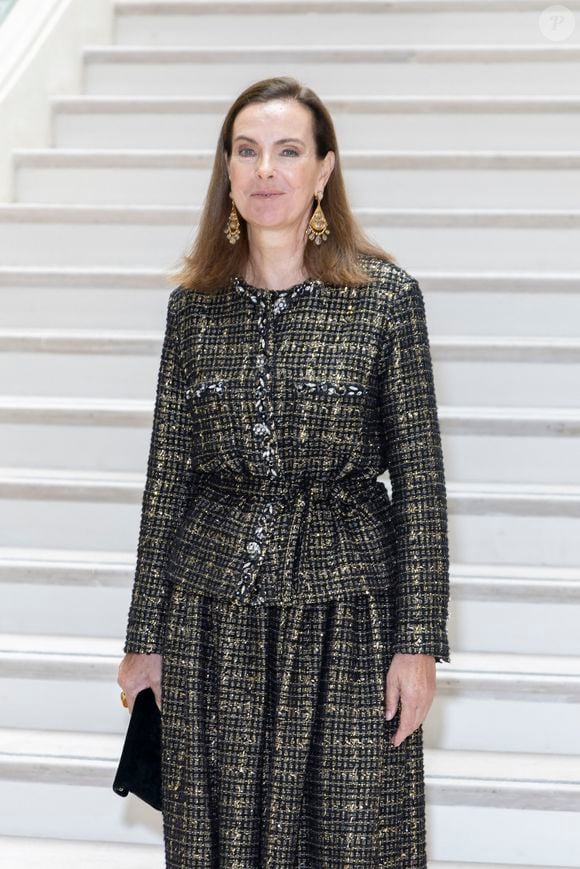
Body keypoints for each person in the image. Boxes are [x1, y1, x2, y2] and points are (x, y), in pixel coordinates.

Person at [117, 75, 450, 868]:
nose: (266, 170)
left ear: (323, 171)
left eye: (288, 151)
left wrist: (419, 641)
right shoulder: (192, 309)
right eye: (247, 151)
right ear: (227, 171)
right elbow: (167, 478)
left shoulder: (385, 299)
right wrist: (143, 636)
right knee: (218, 842)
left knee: (350, 839)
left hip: (350, 616)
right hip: (210, 616)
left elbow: (423, 484)